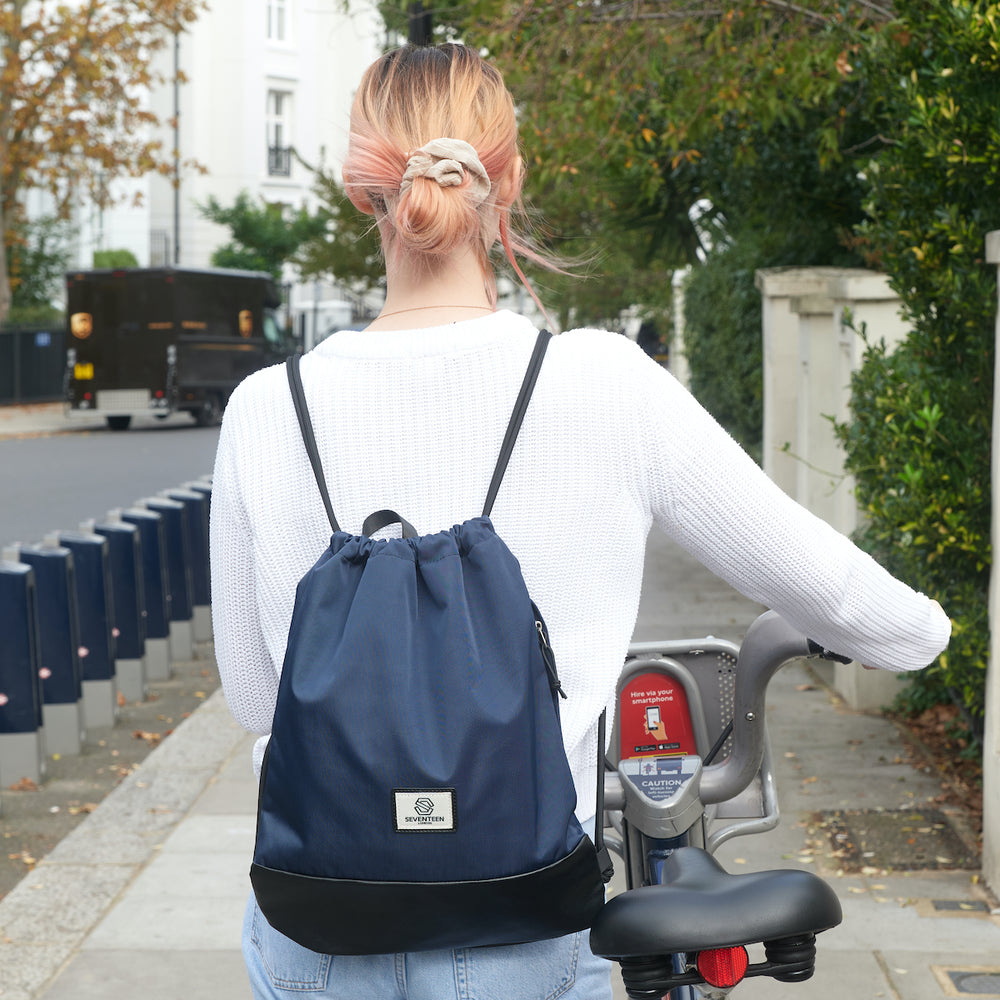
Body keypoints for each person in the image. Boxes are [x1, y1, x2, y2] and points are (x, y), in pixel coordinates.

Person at [209, 42, 950, 1000]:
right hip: (518, 926)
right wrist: (928, 635)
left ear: (364, 190)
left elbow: (255, 694)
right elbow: (833, 589)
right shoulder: (604, 384)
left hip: (316, 922)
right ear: (507, 180)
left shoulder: (267, 406)